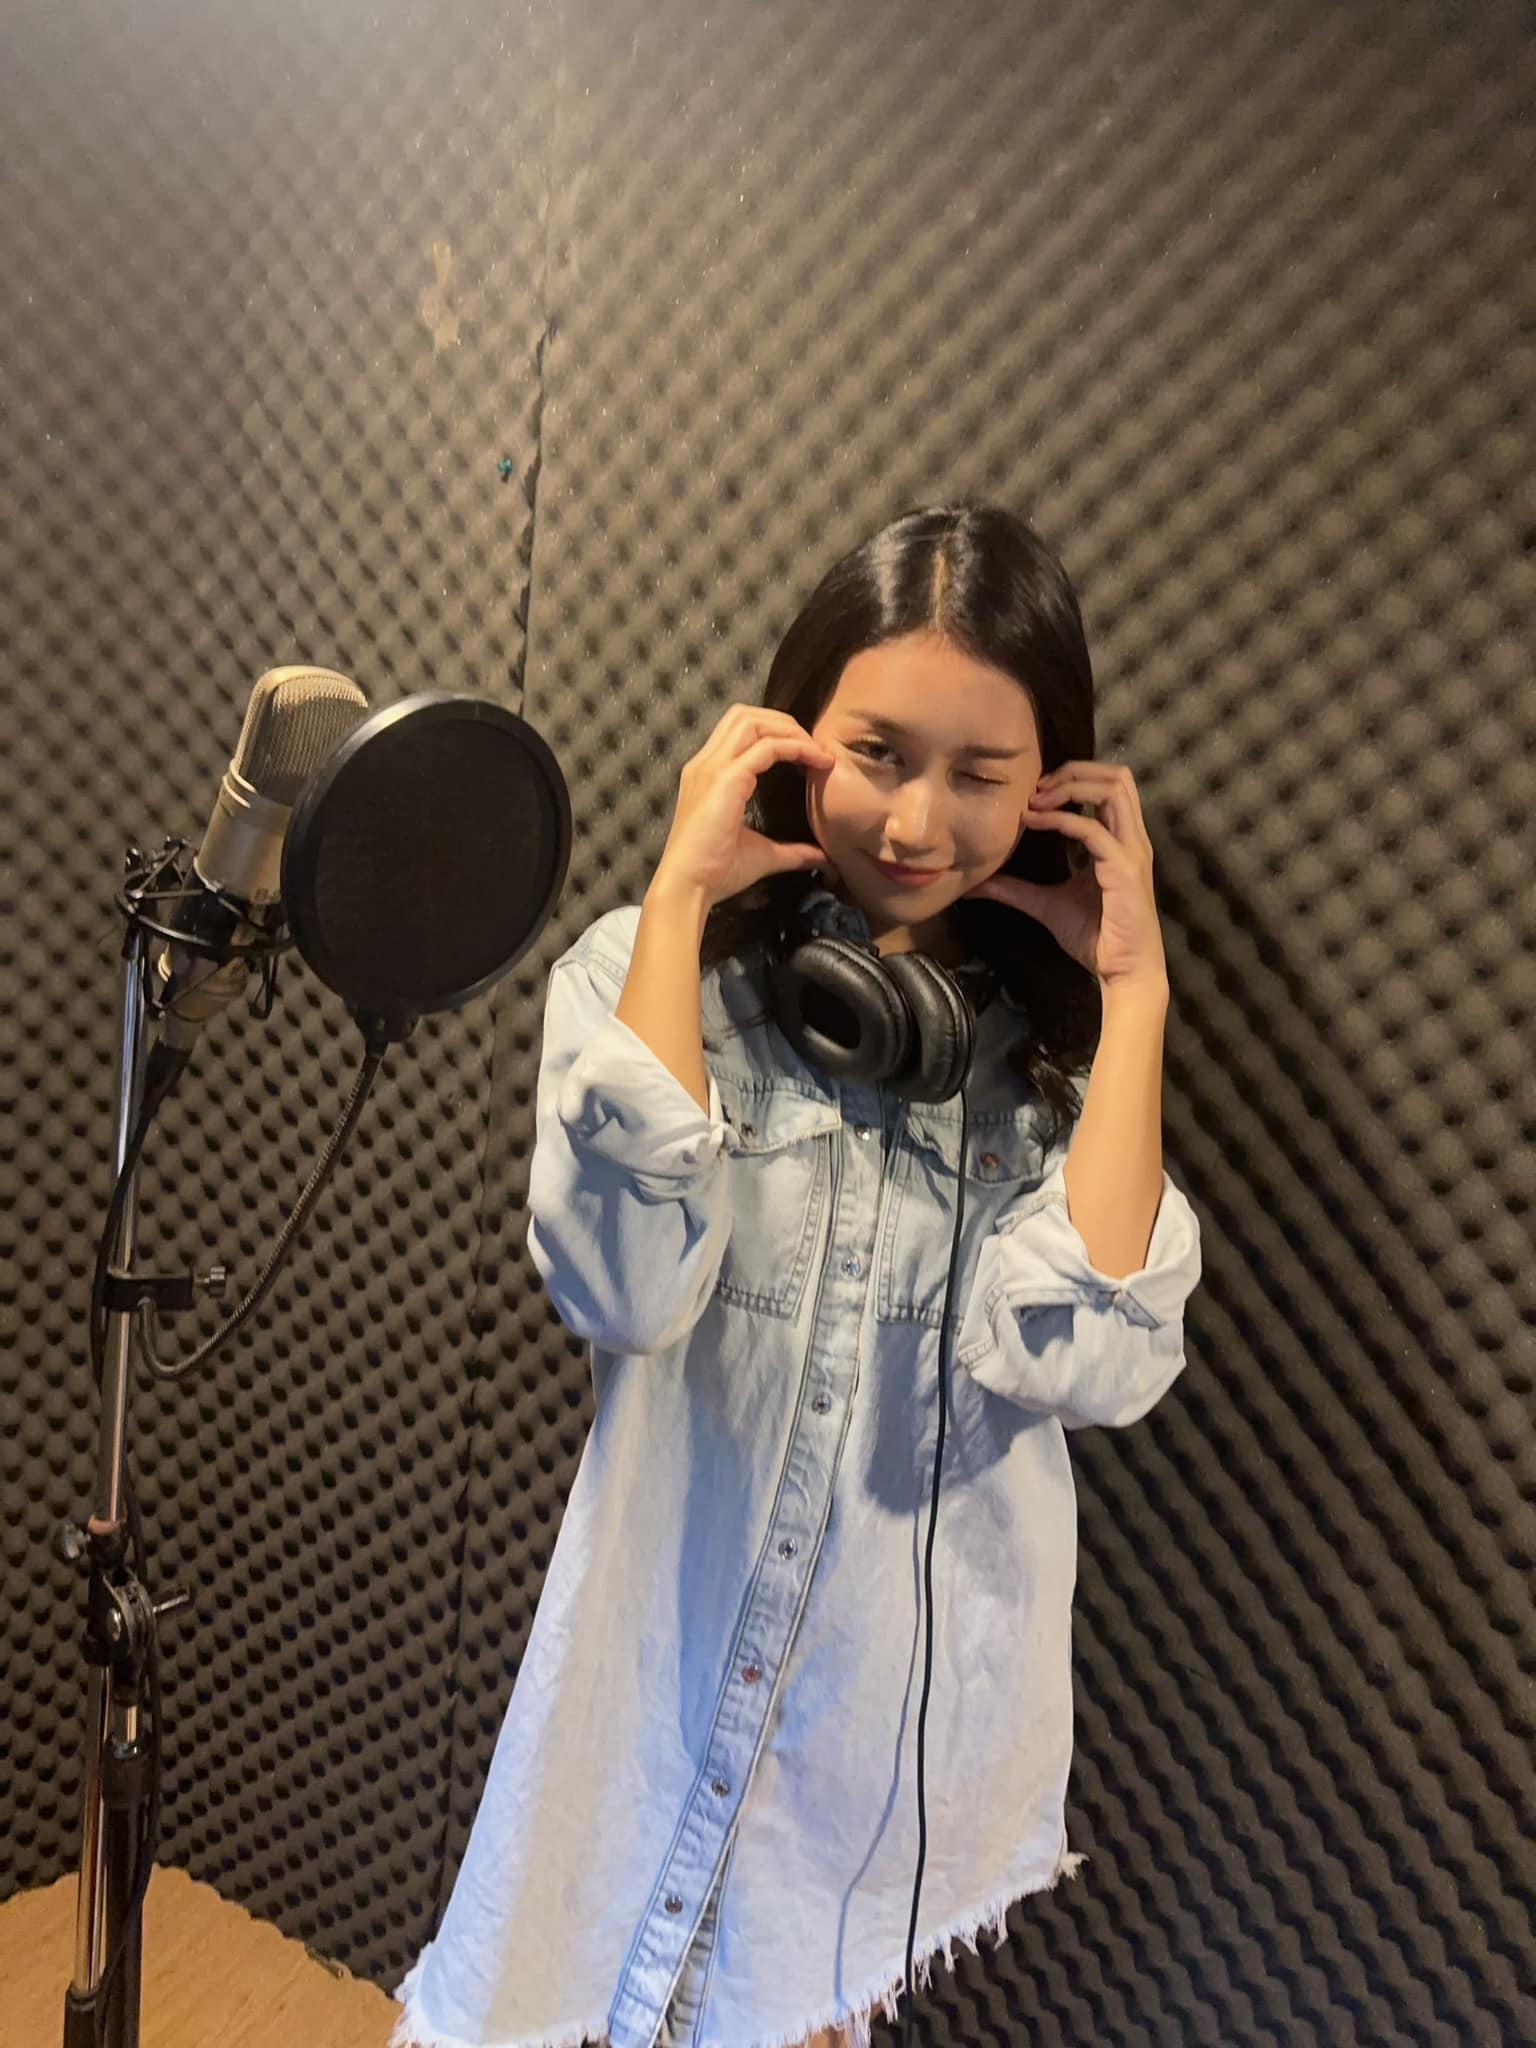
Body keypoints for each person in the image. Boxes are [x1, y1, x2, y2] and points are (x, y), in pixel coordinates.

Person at [391, 502, 1203, 2048]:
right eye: (878, 751)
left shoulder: (1052, 1073)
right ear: (788, 734)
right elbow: (622, 1293)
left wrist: (1132, 989)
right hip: (651, 1686)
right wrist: (680, 896)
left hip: (866, 1759)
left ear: (1054, 789)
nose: (917, 822)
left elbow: (1089, 1365)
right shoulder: (657, 983)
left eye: (982, 774)